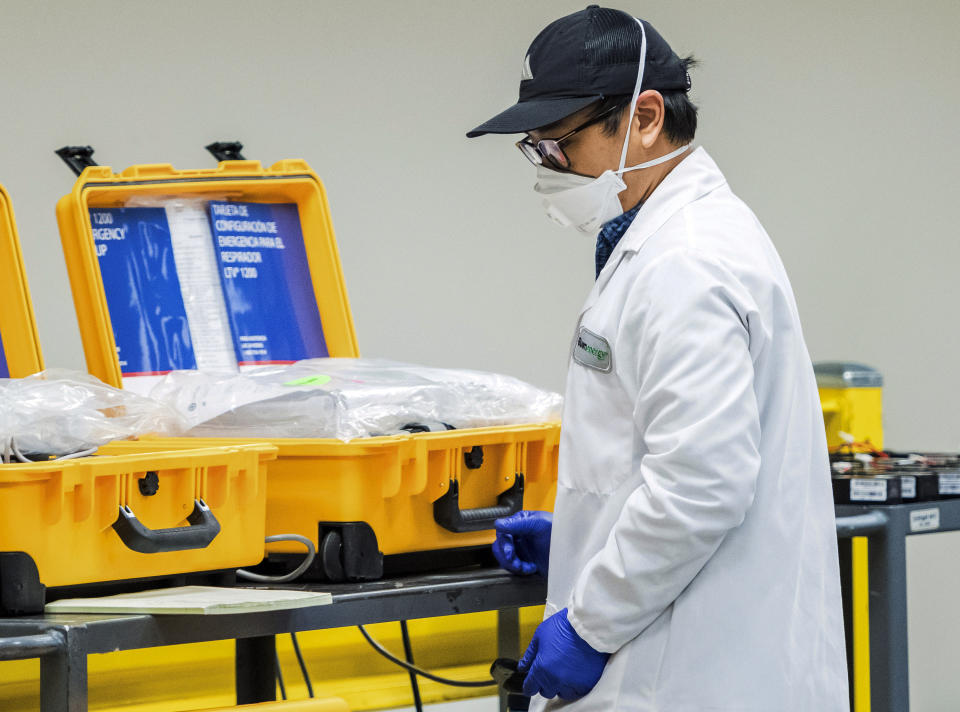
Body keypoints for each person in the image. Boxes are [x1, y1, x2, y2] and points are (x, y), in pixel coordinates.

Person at [469, 6, 848, 710]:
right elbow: (662, 450)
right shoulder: (666, 244)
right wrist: (581, 534)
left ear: (644, 116)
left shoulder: (688, 262)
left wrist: (586, 627)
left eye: (561, 144)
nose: (550, 168)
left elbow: (701, 485)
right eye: (537, 149)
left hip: (700, 675)